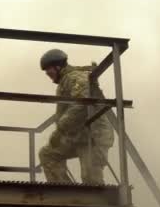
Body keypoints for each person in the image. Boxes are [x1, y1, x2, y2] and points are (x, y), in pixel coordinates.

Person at [38, 48, 114, 184]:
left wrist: (60, 129)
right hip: (78, 136)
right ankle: (64, 194)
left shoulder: (75, 77)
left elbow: (81, 104)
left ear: (58, 66)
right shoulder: (65, 81)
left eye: (48, 69)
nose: (47, 73)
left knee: (91, 179)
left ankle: (92, 201)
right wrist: (61, 132)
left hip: (94, 135)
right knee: (47, 154)